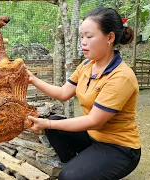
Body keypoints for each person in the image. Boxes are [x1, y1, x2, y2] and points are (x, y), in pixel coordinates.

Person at [26, 7, 141, 180]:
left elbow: (94, 121)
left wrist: (46, 123)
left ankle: (79, 171)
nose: (83, 42)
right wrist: (32, 79)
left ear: (110, 37)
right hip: (93, 138)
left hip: (119, 147)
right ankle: (79, 166)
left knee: (67, 176)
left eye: (89, 36)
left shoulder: (121, 76)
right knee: (55, 124)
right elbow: (64, 93)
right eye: (81, 36)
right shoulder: (87, 65)